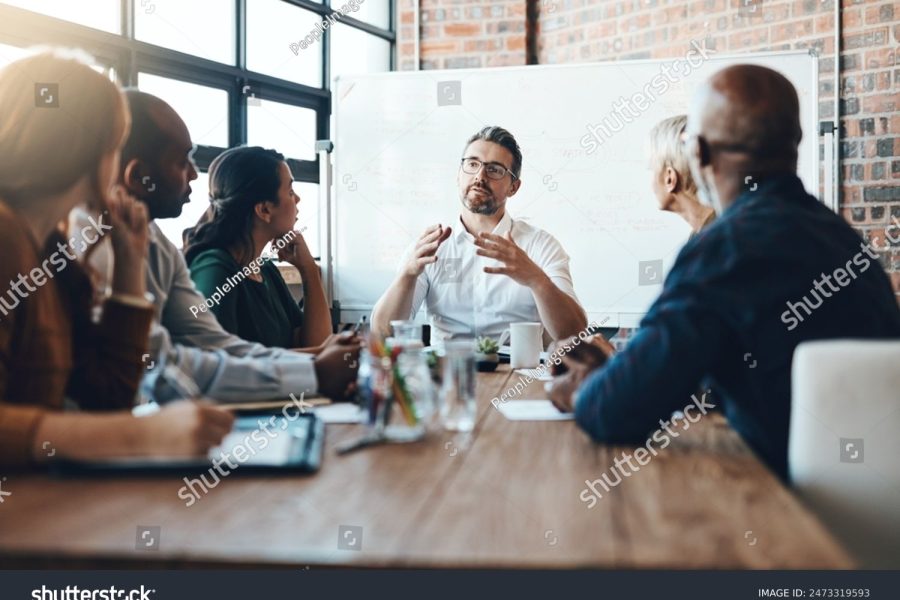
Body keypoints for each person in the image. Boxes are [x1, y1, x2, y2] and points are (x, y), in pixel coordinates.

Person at [550, 65, 900, 481]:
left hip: (786, 510)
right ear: (796, 145)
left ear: (697, 154)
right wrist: (622, 368)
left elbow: (617, 412)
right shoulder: (842, 239)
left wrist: (584, 387)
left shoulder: (724, 251)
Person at [0, 50, 233, 468]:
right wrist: (136, 434)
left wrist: (129, 264)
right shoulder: (5, 237)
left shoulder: (53, 254)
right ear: (87, 152)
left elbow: (106, 395)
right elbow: (113, 420)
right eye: (114, 146)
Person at [80, 90, 358, 403]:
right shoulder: (87, 246)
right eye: (182, 161)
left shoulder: (159, 244)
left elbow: (216, 344)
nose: (193, 175)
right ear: (138, 176)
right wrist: (316, 371)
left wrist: (318, 363)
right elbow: (165, 366)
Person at [372, 126, 587, 344]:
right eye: (472, 164)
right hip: (447, 373)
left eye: (494, 169)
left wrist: (536, 280)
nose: (480, 176)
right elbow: (382, 333)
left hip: (518, 375)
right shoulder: (429, 247)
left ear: (513, 187)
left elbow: (575, 334)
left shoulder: (540, 246)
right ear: (458, 175)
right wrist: (407, 275)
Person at [183, 146, 330, 349]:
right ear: (264, 210)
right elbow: (219, 362)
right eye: (290, 191)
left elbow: (315, 345)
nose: (297, 199)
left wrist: (309, 271)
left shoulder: (266, 270)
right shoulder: (215, 269)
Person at [649, 115, 715, 235]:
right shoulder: (704, 233)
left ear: (670, 178)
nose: (651, 181)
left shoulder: (714, 240)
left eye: (652, 169)